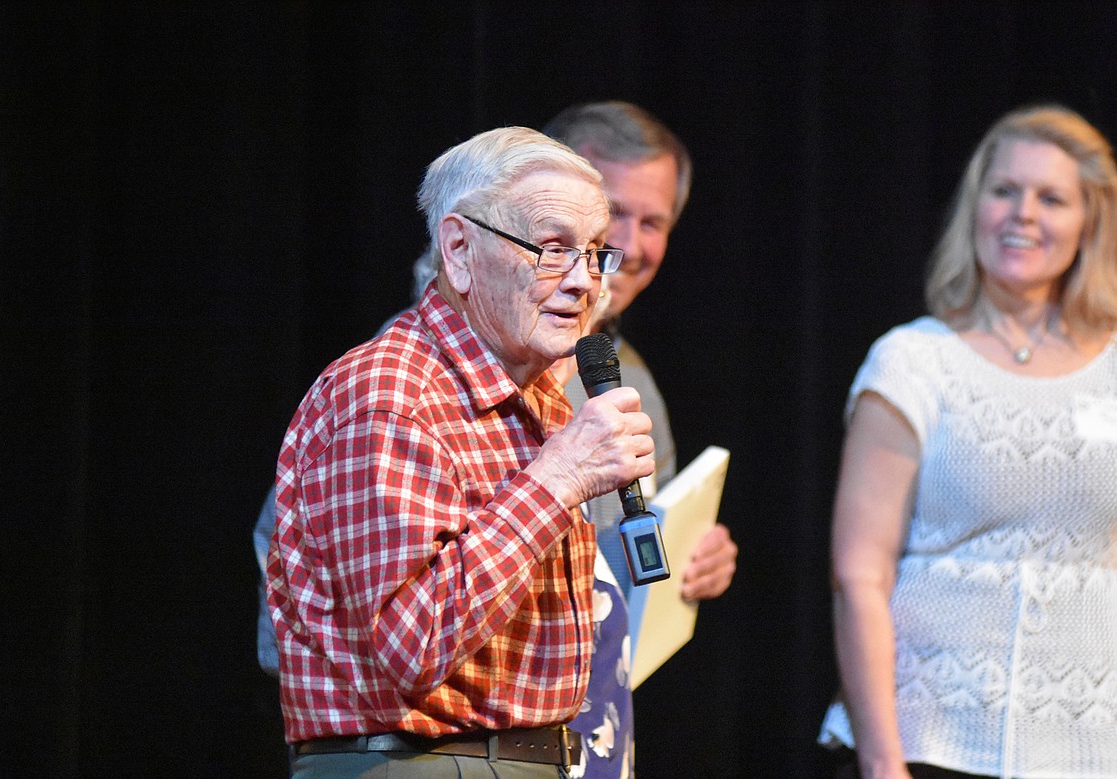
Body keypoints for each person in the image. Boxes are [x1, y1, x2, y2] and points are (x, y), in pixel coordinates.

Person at [255, 102, 739, 778]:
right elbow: (413, 642)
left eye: (594, 252)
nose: (584, 280)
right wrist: (558, 479)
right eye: (552, 249)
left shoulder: (550, 388)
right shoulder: (390, 390)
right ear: (459, 249)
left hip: (550, 752)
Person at [819, 104, 1117, 779]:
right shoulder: (913, 361)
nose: (1024, 214)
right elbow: (859, 574)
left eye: (1052, 198)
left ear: (1088, 221)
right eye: (1004, 190)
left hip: (1092, 748)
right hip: (929, 743)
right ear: (974, 206)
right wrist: (882, 761)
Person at [541, 101, 739, 778]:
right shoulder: (443, 358)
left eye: (652, 221)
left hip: (590, 736)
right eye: (611, 210)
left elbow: (627, 559)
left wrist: (686, 559)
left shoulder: (632, 381)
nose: (629, 241)